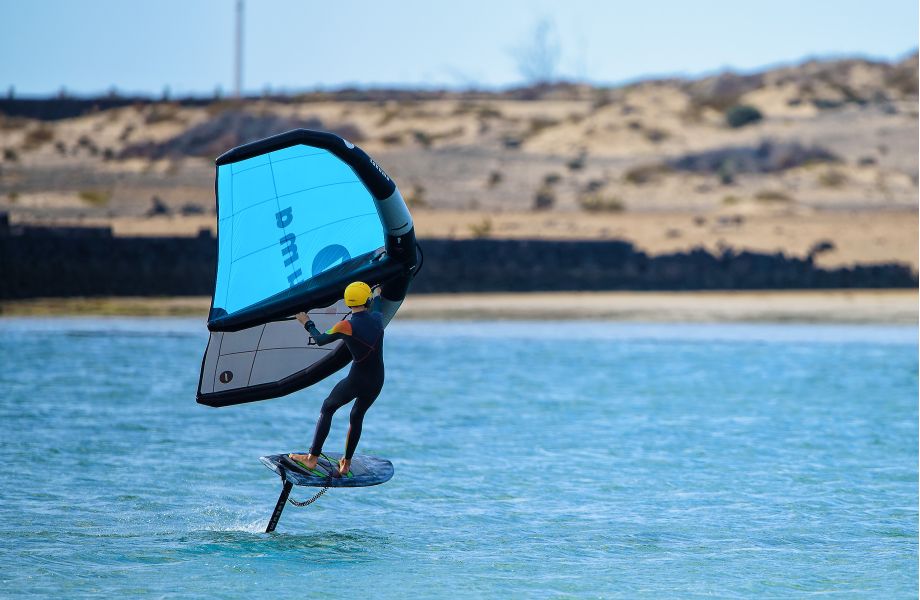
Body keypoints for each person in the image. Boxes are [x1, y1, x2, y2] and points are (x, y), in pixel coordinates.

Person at [290, 281, 385, 477]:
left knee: (327, 407)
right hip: (377, 380)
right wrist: (376, 292)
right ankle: (346, 464)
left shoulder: (345, 326)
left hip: (357, 379)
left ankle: (312, 458)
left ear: (348, 302)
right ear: (367, 301)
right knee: (357, 416)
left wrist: (306, 322)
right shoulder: (378, 318)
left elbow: (320, 339)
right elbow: (377, 303)